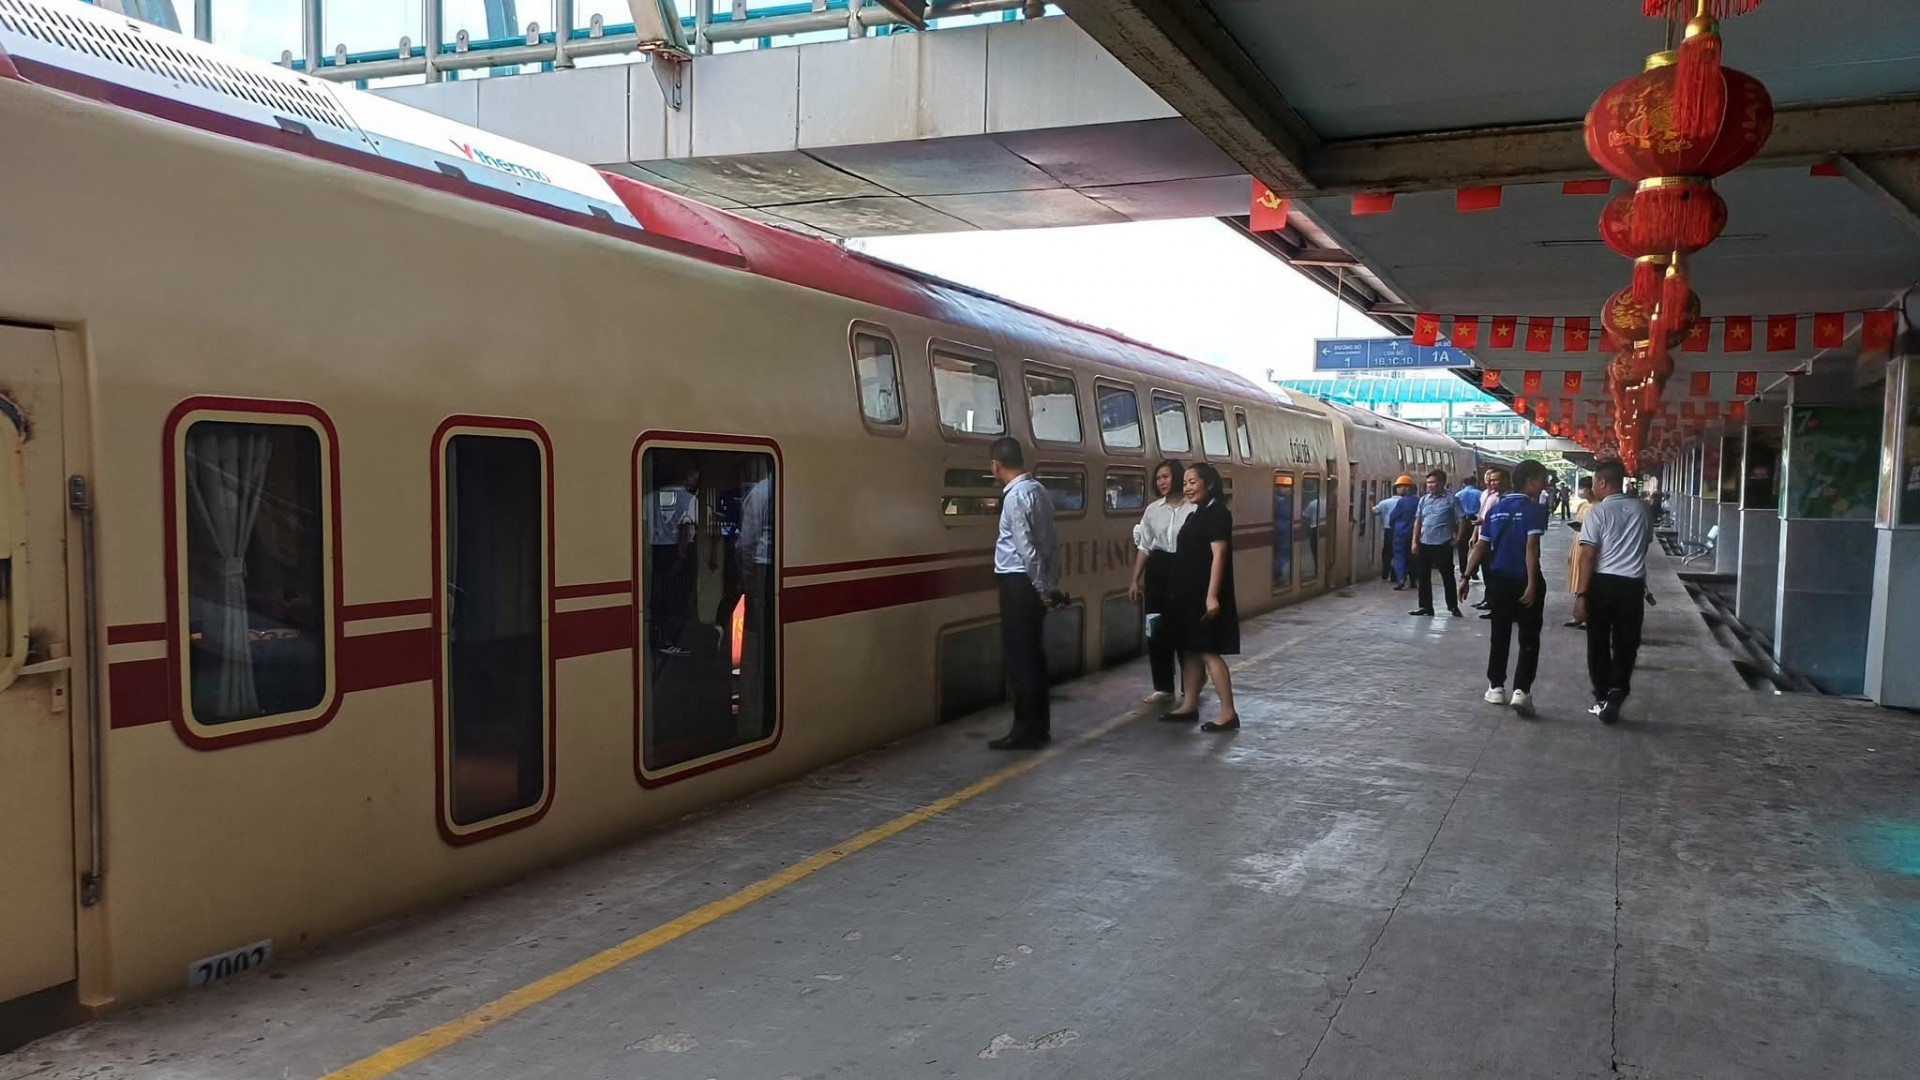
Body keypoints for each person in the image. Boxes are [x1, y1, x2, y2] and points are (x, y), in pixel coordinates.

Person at [988, 438, 1059, 750]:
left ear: (996, 465)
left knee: (1020, 659)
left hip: (1019, 582)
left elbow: (1025, 547)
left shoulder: (1015, 497)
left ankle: (1024, 731)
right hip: (1032, 582)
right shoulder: (1039, 491)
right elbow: (1050, 544)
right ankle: (1039, 726)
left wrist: (1041, 588)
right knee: (1034, 656)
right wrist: (1049, 582)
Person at [1463, 459, 1550, 715]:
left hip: (1499, 581)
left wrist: (1466, 576)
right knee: (1528, 636)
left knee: (1499, 634)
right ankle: (1521, 691)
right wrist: (1532, 583)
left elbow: (1481, 546)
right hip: (1525, 579)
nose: (1544, 485)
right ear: (1531, 480)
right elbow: (1531, 548)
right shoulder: (1534, 510)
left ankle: (1496, 687)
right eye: (1542, 479)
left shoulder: (1495, 510)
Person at [1160, 463, 1240, 732]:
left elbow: (1219, 555)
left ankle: (1228, 713)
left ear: (1209, 483)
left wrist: (1212, 596)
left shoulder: (1217, 514)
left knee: (1209, 651)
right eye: (1184, 483)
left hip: (1205, 594)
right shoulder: (1196, 514)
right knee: (1191, 650)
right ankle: (1189, 704)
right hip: (1189, 595)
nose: (1187, 487)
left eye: (1193, 482)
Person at [1575, 461, 1653, 724]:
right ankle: (1619, 687)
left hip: (1603, 584)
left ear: (1603, 483)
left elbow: (1588, 556)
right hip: (1632, 585)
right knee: (1626, 642)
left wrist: (1581, 595)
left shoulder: (1597, 513)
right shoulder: (1643, 510)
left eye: (1595, 482)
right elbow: (1643, 546)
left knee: (1597, 640)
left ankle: (1602, 696)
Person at [1128, 459, 1192, 704]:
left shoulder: (1192, 508)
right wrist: (1134, 579)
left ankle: (1190, 685)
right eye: (1158, 478)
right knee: (1155, 627)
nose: (1162, 482)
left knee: (1183, 629)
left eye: (1166, 476)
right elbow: (1145, 546)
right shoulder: (1153, 510)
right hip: (1158, 571)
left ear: (1177, 477)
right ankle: (1163, 686)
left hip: (1184, 570)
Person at [647, 458, 700, 656]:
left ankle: (657, 637)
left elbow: (644, 528)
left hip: (655, 550)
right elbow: (684, 528)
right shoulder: (690, 499)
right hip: (677, 551)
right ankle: (670, 640)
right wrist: (682, 556)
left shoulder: (649, 498)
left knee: (658, 596)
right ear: (688, 476)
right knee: (678, 599)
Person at [1410, 469, 1465, 618]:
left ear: (1442, 483)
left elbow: (1461, 519)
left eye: (1433, 482)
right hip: (1425, 542)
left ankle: (1452, 606)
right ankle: (1426, 607)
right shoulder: (1423, 500)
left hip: (1443, 543)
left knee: (1447, 576)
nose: (1430, 485)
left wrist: (1458, 538)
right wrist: (1414, 541)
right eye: (1428, 483)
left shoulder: (1451, 499)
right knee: (1423, 576)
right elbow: (1418, 521)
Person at [1564, 476, 1595, 629]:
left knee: (1586, 582)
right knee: (1577, 581)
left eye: (1583, 488)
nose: (1581, 491)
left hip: (1588, 548)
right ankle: (1578, 615)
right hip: (1578, 544)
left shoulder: (1598, 507)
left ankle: (1588, 616)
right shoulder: (1583, 505)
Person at [1386, 475, 1419, 589]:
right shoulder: (1419, 501)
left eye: (1400, 487)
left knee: (1399, 556)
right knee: (1413, 558)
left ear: (1407, 488)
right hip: (1415, 534)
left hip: (1400, 534)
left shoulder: (1402, 502)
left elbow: (1393, 517)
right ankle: (1413, 580)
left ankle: (1401, 579)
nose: (1398, 490)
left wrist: (1392, 526)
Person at [1454, 472, 1483, 582]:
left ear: (1464, 484)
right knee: (1476, 547)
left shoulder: (1458, 494)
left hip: (1461, 523)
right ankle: (1474, 572)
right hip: (1475, 522)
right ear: (1475, 483)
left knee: (1462, 549)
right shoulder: (1479, 494)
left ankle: (1463, 572)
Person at [1373, 487, 1399, 582]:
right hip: (1401, 531)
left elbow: (1375, 511)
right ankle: (1394, 575)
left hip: (1388, 530)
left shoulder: (1385, 502)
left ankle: (1385, 572)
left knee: (1387, 552)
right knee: (1398, 553)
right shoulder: (1404, 502)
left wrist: (1371, 501)